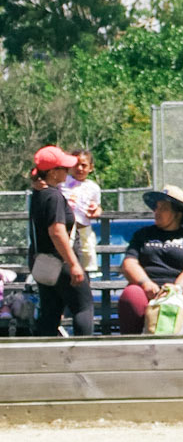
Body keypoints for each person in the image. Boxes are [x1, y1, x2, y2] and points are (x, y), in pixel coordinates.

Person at [117, 184, 183, 334]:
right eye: (157, 208)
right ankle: (133, 344)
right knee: (131, 294)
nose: (157, 212)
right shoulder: (143, 234)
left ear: (178, 214)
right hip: (146, 288)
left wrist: (176, 288)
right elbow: (129, 263)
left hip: (180, 289)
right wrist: (146, 283)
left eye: (164, 208)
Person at [26, 145, 93, 338]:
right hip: (60, 261)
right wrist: (73, 264)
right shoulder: (54, 196)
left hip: (42, 262)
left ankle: (45, 353)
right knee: (83, 306)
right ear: (53, 173)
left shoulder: (39, 193)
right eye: (64, 168)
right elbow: (56, 232)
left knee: (51, 311)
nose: (68, 170)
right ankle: (85, 350)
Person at [63, 150, 102, 277]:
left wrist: (96, 210)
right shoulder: (63, 182)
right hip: (66, 229)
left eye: (83, 165)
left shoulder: (93, 187)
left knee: (86, 259)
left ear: (91, 168)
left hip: (83, 228)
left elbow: (97, 206)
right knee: (66, 261)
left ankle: (85, 281)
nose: (79, 168)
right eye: (76, 165)